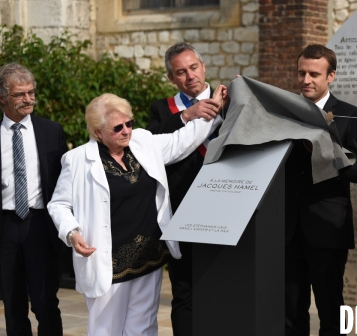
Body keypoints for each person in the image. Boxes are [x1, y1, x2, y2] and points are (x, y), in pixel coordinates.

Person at [47, 91, 224, 336]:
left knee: (143, 329)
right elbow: (58, 204)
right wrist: (71, 232)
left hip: (149, 257)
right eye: (117, 128)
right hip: (109, 262)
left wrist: (214, 109)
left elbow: (183, 140)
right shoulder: (77, 160)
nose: (126, 131)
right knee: (105, 330)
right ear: (98, 132)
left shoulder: (142, 142)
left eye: (129, 123)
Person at [285, 44, 357, 336]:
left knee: (330, 311)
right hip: (286, 229)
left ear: (331, 76)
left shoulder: (349, 114)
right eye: (301, 73)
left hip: (327, 227)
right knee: (290, 312)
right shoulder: (283, 112)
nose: (306, 80)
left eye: (314, 74)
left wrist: (326, 149)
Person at [146, 42, 223, 335]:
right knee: (185, 291)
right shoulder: (163, 109)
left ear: (203, 67)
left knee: (221, 287)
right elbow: (150, 143)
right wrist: (187, 116)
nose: (190, 76)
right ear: (172, 79)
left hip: (223, 206)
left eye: (193, 68)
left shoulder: (228, 100)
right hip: (180, 210)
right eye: (181, 72)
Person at [0, 63, 67, 336]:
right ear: (2, 98)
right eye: (20, 94)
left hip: (39, 225)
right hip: (4, 227)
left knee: (45, 302)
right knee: (12, 303)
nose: (28, 99)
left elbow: (64, 181)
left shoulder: (52, 131)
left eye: (31, 92)